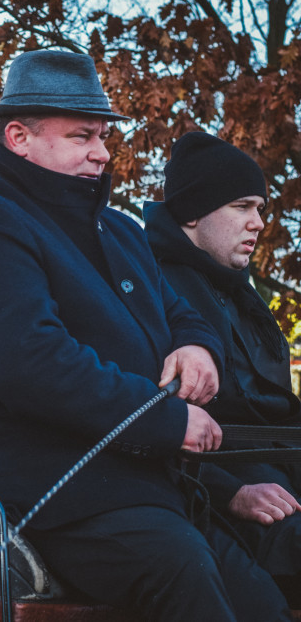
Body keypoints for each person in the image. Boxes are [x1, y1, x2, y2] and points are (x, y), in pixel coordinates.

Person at [0, 50, 291, 620]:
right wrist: (167, 420)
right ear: (19, 137)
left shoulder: (120, 229)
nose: (102, 151)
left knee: (260, 601)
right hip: (50, 491)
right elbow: (30, 363)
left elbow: (183, 314)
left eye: (101, 135)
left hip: (152, 489)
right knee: (183, 573)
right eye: (81, 137)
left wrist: (197, 347)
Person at [145, 131, 301, 584]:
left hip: (281, 465)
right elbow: (144, 416)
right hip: (221, 491)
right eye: (242, 207)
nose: (257, 223)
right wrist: (231, 492)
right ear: (193, 212)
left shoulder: (240, 294)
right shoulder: (154, 288)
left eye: (261, 209)